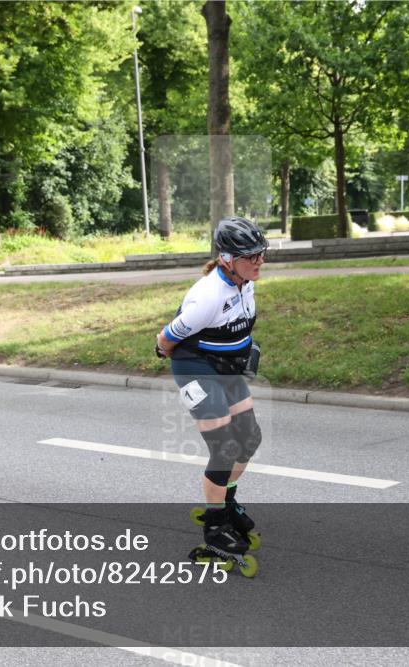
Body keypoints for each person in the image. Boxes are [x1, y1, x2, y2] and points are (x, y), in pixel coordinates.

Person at [155, 216, 267, 573]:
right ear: (226, 259)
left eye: (261, 254)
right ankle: (215, 528)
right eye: (251, 256)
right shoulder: (207, 296)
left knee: (248, 437)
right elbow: (164, 341)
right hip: (195, 367)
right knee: (226, 447)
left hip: (226, 366)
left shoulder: (245, 281)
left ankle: (226, 503)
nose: (259, 261)